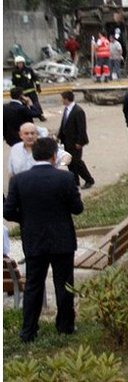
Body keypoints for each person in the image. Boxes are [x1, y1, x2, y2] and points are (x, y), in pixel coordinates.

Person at [4, 137, 85, 343]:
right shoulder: (64, 179)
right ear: (54, 156)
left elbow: (8, 211)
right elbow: (77, 208)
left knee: (34, 285)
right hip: (62, 240)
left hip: (34, 240)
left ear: (33, 155)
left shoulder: (18, 181)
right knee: (64, 284)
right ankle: (65, 326)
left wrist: (26, 219)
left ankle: (28, 330)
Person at [57, 91, 95, 189]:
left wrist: (79, 142)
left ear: (66, 99)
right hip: (67, 141)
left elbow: (82, 128)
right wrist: (59, 136)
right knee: (70, 162)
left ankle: (89, 180)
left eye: (62, 98)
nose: (61, 100)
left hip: (75, 142)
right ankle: (75, 181)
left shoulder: (78, 111)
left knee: (77, 162)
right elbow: (64, 125)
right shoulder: (66, 110)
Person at [12, 56, 45, 120]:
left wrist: (38, 86)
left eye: (21, 63)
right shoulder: (15, 72)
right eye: (18, 63)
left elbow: (35, 78)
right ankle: (27, 117)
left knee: (36, 103)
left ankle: (40, 115)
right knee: (23, 105)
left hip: (31, 90)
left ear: (23, 63)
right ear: (16, 64)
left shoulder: (28, 70)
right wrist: (14, 91)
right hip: (22, 92)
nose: (20, 64)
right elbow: (14, 82)